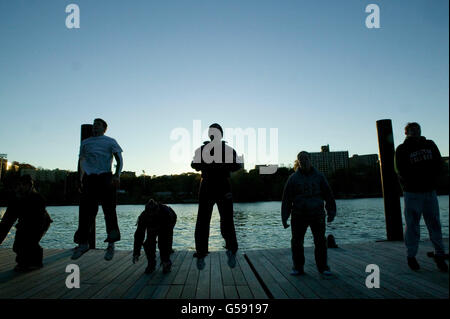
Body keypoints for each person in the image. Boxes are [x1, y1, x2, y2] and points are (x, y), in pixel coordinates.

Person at [394, 122, 448, 272]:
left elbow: (439, 163)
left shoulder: (430, 144)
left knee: (435, 224)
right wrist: (411, 183)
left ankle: (440, 255)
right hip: (412, 193)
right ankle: (411, 256)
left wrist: (437, 179)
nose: (415, 131)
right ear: (406, 133)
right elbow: (399, 169)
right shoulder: (402, 149)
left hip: (430, 192)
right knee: (412, 225)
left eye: (417, 129)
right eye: (412, 129)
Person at [191, 123, 243, 270]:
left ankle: (231, 249)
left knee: (227, 219)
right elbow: (193, 164)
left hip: (223, 186)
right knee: (202, 221)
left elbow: (237, 165)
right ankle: (201, 253)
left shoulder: (228, 150)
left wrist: (222, 163)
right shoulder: (201, 149)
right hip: (206, 186)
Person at [72, 118, 123, 261]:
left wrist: (117, 175)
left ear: (104, 128)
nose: (95, 127)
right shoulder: (85, 143)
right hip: (89, 178)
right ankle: (83, 243)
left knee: (109, 210)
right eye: (94, 125)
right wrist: (80, 179)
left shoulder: (110, 141)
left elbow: (119, 158)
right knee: (86, 211)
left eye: (98, 125)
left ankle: (111, 244)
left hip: (105, 177)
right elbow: (81, 161)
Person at [281, 151, 336, 277]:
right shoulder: (293, 179)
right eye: (300, 159)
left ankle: (323, 267)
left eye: (305, 159)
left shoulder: (319, 177)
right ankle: (298, 267)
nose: (303, 161)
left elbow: (328, 195)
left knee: (320, 242)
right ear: (298, 161)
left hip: (317, 214)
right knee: (296, 242)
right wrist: (284, 218)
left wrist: (331, 211)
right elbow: (286, 200)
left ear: (310, 160)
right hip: (299, 215)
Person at [0, 175, 52, 271]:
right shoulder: (15, 200)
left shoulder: (37, 198)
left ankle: (36, 262)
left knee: (30, 241)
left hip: (41, 222)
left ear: (29, 185)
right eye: (18, 185)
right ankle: (23, 262)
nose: (20, 188)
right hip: (25, 223)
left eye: (23, 185)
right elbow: (6, 221)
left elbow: (39, 220)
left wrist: (29, 234)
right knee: (17, 246)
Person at [132, 199, 177, 274]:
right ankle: (151, 263)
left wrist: (165, 258)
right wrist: (136, 253)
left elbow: (168, 239)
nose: (151, 215)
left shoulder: (166, 214)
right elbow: (139, 235)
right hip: (153, 225)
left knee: (163, 242)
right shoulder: (143, 216)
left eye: (153, 214)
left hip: (169, 220)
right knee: (148, 243)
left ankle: (166, 262)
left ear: (156, 211)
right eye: (149, 214)